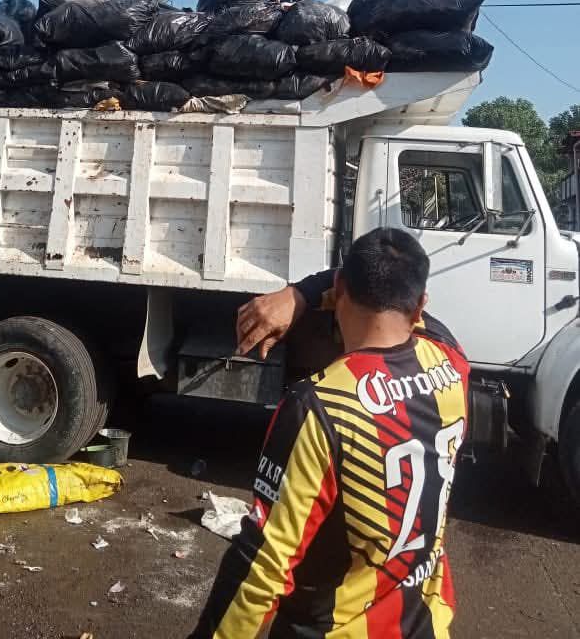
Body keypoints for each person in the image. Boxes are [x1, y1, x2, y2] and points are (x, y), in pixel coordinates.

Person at [190, 228, 469, 639]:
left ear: (339, 289)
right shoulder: (452, 362)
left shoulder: (321, 406)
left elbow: (264, 563)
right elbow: (419, 318)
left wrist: (298, 294)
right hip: (427, 624)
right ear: (421, 304)